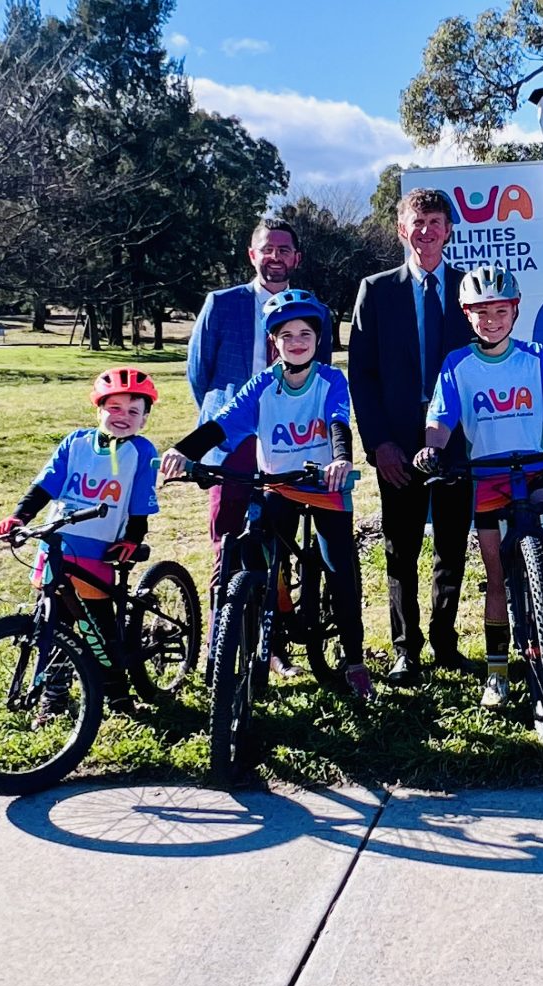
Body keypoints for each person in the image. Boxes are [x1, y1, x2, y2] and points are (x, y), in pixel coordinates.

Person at [412, 265, 543, 709]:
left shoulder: (531, 355)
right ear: (468, 316)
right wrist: (431, 448)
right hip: (487, 476)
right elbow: (440, 419)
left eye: (500, 311)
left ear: (514, 312)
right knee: (495, 573)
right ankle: (497, 671)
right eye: (481, 312)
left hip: (536, 467)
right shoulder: (458, 364)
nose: (491, 320)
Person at [162, 292, 374, 699]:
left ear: (318, 339)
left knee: (339, 568)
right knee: (255, 551)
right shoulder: (262, 385)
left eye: (306, 334)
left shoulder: (330, 379)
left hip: (325, 486)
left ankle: (354, 660)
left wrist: (341, 460)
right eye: (287, 335)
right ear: (273, 342)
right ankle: (269, 636)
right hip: (278, 484)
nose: (297, 342)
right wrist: (183, 451)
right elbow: (223, 424)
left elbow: (337, 421)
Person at [187, 218, 333, 675]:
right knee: (226, 540)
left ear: (297, 259)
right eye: (267, 249)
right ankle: (220, 647)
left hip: (287, 441)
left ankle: (272, 643)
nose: (275, 257)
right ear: (253, 255)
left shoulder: (312, 310)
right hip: (233, 440)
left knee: (276, 538)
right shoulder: (222, 304)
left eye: (284, 250)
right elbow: (199, 374)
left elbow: (319, 376)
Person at [348, 187, 475, 684]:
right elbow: (363, 375)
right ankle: (407, 648)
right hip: (397, 443)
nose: (426, 231)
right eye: (416, 223)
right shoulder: (376, 291)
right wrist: (379, 443)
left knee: (451, 545)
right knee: (400, 549)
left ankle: (445, 641)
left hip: (457, 442)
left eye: (436, 222)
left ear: (448, 230)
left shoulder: (471, 290)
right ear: (402, 230)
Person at [0, 368, 161, 717]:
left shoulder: (142, 452)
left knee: (100, 631)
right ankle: (53, 698)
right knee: (53, 626)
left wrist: (133, 538)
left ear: (144, 420)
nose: (123, 417)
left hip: (98, 554)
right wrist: (19, 518)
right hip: (55, 547)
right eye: (114, 408)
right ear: (98, 409)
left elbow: (140, 504)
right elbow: (44, 486)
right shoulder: (75, 443)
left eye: (133, 412)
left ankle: (118, 697)